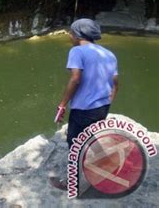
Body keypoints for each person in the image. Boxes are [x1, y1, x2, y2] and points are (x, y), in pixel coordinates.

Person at [50, 18, 119, 190]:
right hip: (102, 106)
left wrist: (62, 104)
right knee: (92, 137)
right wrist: (108, 100)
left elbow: (75, 78)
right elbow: (115, 82)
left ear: (77, 35)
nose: (69, 35)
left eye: (71, 32)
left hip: (84, 108)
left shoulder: (77, 51)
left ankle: (72, 182)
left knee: (75, 142)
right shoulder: (108, 54)